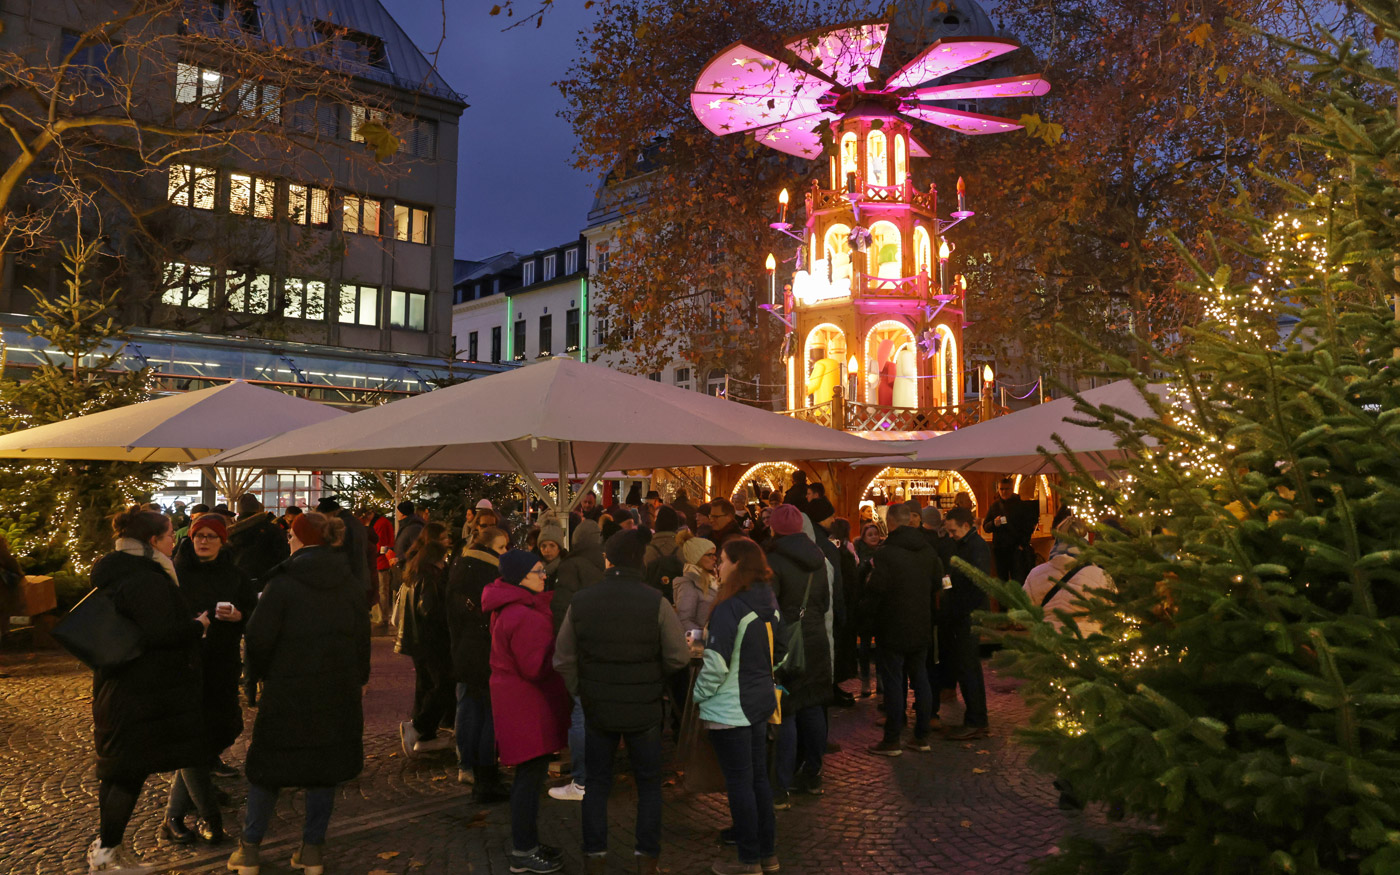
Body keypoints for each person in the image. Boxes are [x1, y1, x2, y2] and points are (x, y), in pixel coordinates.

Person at [228, 511, 369, 875]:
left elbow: (258, 637)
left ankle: (249, 850)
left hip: (288, 688)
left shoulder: (284, 583)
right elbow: (362, 640)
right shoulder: (350, 582)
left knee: (269, 768)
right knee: (323, 770)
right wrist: (357, 678)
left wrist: (256, 676)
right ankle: (312, 851)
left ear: (303, 539)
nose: (287, 541)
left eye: (292, 535)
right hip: (336, 689)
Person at [553, 529, 689, 875]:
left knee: (596, 784)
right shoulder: (655, 602)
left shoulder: (582, 601)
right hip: (644, 707)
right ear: (639, 562)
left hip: (598, 706)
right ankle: (647, 859)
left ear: (607, 560)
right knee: (648, 784)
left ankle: (594, 857)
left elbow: (564, 657)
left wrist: (581, 691)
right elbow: (677, 656)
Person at [87, 508, 209, 875]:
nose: (177, 540)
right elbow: (160, 634)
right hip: (138, 690)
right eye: (172, 534)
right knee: (126, 773)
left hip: (117, 684)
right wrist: (196, 627)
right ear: (153, 541)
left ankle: (109, 848)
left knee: (118, 771)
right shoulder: (147, 579)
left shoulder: (117, 571)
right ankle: (106, 855)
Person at [165, 514, 256, 845]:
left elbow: (251, 609)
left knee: (222, 730)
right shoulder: (175, 574)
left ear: (222, 541)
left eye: (210, 536)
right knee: (193, 742)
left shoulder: (235, 574)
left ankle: (173, 816)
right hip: (186, 666)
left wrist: (240, 615)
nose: (203, 541)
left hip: (222, 664)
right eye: (198, 536)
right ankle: (208, 817)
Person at [694, 538, 784, 875]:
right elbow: (784, 651)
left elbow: (715, 665)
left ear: (737, 565)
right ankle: (767, 855)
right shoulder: (769, 601)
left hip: (730, 708)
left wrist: (698, 695)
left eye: (723, 559)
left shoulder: (730, 606)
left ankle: (748, 861)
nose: (719, 564)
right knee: (758, 780)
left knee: (740, 784)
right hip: (759, 702)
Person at [482, 551, 571, 875]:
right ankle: (524, 850)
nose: (544, 574)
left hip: (518, 702)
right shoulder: (523, 614)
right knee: (528, 779)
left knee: (528, 778)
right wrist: (561, 650)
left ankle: (528, 843)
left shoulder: (514, 609)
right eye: (537, 571)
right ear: (520, 577)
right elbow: (535, 667)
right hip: (527, 706)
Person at [764, 504, 831, 804]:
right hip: (815, 639)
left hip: (786, 642)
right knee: (813, 706)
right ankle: (813, 774)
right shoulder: (820, 558)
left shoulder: (771, 560)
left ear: (774, 528)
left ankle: (783, 781)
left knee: (787, 710)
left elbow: (769, 608)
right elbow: (826, 603)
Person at [864, 503, 942, 755]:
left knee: (894, 681)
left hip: (892, 626)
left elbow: (876, 590)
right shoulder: (928, 550)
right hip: (921, 624)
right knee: (921, 678)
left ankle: (892, 739)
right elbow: (939, 585)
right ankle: (921, 737)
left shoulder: (885, 554)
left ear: (892, 523)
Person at [448, 525, 512, 802]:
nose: (505, 552)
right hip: (484, 651)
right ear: (489, 549)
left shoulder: (461, 566)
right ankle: (486, 773)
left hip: (464, 651)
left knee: (472, 710)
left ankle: (471, 767)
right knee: (488, 715)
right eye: (501, 547)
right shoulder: (489, 572)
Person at [549, 516, 605, 801]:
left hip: (579, 647)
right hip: (603, 647)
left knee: (580, 715)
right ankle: (597, 775)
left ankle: (582, 781)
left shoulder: (570, 566)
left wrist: (563, 649)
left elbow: (561, 610)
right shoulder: (606, 564)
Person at [398, 523, 457, 759]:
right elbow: (430, 610)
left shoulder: (415, 571)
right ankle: (419, 727)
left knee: (427, 685)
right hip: (433, 641)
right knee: (444, 684)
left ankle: (426, 735)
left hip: (419, 641)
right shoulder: (431, 577)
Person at [935, 506, 993, 740]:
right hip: (959, 613)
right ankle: (975, 718)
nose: (951, 534)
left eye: (953, 530)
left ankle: (977, 720)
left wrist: (957, 607)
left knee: (969, 667)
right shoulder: (960, 545)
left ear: (966, 526)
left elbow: (977, 585)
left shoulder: (977, 547)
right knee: (965, 665)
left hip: (968, 615)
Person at [1022, 516, 1114, 635]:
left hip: (1048, 643)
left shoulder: (1036, 574)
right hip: (1089, 643)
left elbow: (1024, 613)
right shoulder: (1100, 575)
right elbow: (1111, 613)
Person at [226, 494, 289, 591]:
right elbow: (283, 556)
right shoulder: (272, 529)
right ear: (257, 509)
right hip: (267, 583)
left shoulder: (231, 532)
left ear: (239, 510)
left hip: (238, 583)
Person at [316, 496, 371, 600]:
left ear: (331, 513)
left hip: (350, 578)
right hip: (359, 576)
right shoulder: (354, 521)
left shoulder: (341, 525)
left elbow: (341, 551)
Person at [983, 477, 1037, 582]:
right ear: (998, 489)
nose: (1004, 492)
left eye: (1006, 489)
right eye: (1001, 489)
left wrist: (1022, 544)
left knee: (1018, 580)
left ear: (1012, 489)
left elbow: (1029, 526)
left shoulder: (1021, 506)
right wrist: (994, 523)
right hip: (1000, 549)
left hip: (1016, 549)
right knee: (1002, 580)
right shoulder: (995, 506)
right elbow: (986, 527)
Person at [673, 536, 718, 632]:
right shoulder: (688, 584)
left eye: (715, 554)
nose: (714, 558)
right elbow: (684, 620)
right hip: (702, 643)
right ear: (697, 557)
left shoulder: (713, 579)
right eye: (710, 555)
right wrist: (705, 637)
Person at [642, 506, 684, 599]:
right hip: (678, 598)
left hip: (652, 598)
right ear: (676, 524)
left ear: (657, 524)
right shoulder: (683, 549)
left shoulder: (648, 549)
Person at [369, 508, 396, 632]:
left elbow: (381, 544)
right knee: (382, 590)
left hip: (380, 562)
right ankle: (381, 617)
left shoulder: (380, 524)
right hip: (381, 561)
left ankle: (382, 617)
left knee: (381, 590)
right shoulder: (382, 523)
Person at [393, 501, 427, 568]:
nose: (396, 514)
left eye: (397, 512)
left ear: (403, 514)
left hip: (409, 568)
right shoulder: (406, 526)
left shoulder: (415, 528)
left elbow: (416, 549)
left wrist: (400, 559)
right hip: (403, 566)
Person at [535, 520, 568, 590]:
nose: (547, 550)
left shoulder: (568, 568)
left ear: (559, 548)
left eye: (552, 546)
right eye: (543, 546)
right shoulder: (534, 568)